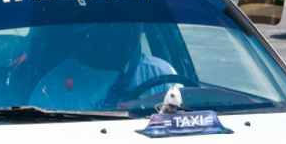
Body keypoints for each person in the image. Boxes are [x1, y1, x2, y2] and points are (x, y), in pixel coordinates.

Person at [29, 22, 177, 111]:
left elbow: (186, 120)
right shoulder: (53, 87)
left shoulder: (162, 74)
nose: (131, 33)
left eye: (136, 24)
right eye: (121, 25)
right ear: (95, 29)